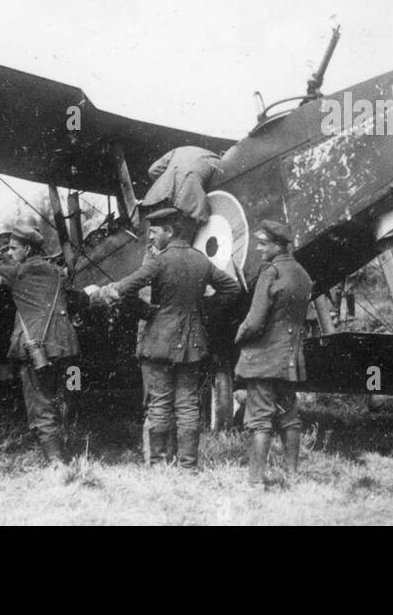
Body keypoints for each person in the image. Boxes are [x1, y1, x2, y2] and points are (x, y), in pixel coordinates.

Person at [90, 207, 240, 469]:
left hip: (159, 343)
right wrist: (203, 309)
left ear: (169, 232)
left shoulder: (159, 262)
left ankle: (159, 465)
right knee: (188, 407)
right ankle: (188, 466)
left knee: (159, 405)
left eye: (155, 232)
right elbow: (232, 288)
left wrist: (107, 297)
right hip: (193, 344)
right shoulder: (201, 260)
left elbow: (123, 289)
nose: (150, 238)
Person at [0, 218, 81, 481]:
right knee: (70, 393)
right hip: (70, 350)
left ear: (28, 250)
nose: (10, 253)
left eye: (13, 248)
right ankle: (74, 447)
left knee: (40, 402)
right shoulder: (56, 272)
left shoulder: (18, 273)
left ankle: (57, 462)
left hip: (37, 352)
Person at [235, 220, 312, 486]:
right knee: (290, 418)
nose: (258, 248)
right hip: (290, 358)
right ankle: (291, 476)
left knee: (260, 420)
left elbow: (255, 321)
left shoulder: (271, 271)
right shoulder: (302, 273)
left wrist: (239, 335)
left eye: (263, 243)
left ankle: (255, 483)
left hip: (264, 358)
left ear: (279, 246)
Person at [142, 147, 222, 224]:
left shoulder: (181, 149)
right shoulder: (218, 161)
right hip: (189, 192)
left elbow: (153, 170)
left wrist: (167, 183)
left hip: (161, 194)